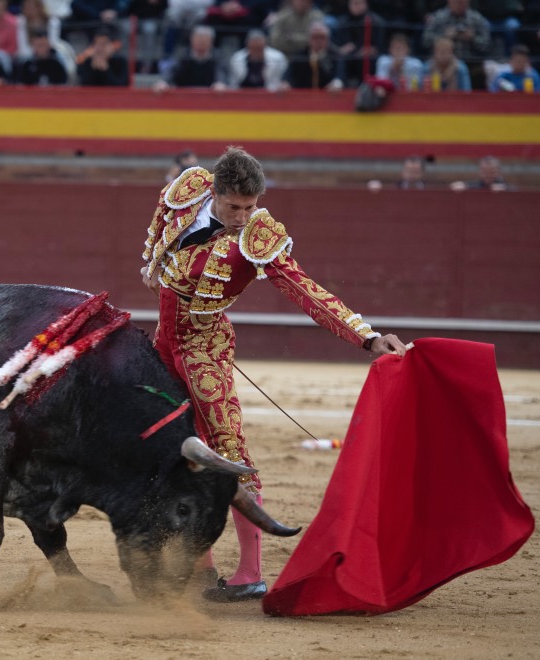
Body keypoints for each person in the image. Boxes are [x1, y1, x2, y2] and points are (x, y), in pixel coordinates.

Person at [141, 146, 407, 602]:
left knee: (227, 450)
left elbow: (305, 290)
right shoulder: (188, 191)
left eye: (251, 206)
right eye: (234, 207)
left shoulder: (259, 235)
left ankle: (250, 573)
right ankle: (201, 566)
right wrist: (154, 265)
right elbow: (159, 234)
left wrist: (366, 337)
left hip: (205, 351)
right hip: (164, 346)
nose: (243, 217)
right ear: (215, 194)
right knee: (170, 445)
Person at [421, 0, 491, 88]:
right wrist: (444, 36)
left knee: (475, 72)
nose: (459, 5)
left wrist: (472, 38)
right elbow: (425, 41)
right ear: (449, 2)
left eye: (462, 2)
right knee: (428, 67)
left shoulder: (477, 19)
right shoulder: (438, 18)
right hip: (441, 61)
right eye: (456, 2)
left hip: (471, 62)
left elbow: (486, 45)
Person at [153, 24, 228, 91]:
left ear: (211, 42)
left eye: (204, 40)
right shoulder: (183, 56)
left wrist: (220, 83)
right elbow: (172, 72)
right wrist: (164, 83)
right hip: (184, 97)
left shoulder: (217, 57)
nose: (201, 43)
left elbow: (220, 73)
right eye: (198, 39)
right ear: (192, 40)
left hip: (210, 98)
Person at [332, 0, 386, 87]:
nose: (356, 6)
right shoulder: (342, 22)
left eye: (359, 3)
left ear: (366, 4)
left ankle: (368, 87)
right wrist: (341, 50)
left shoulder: (376, 22)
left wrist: (372, 50)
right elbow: (336, 46)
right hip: (348, 57)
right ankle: (340, 85)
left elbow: (380, 47)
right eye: (353, 3)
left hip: (368, 58)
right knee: (340, 60)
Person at [280, 21, 344, 90]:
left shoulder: (336, 55)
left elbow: (340, 75)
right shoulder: (300, 55)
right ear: (309, 39)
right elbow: (287, 76)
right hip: (303, 97)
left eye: (322, 37)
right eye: (315, 37)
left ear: (328, 39)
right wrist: (285, 83)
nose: (319, 41)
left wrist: (337, 83)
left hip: (328, 96)